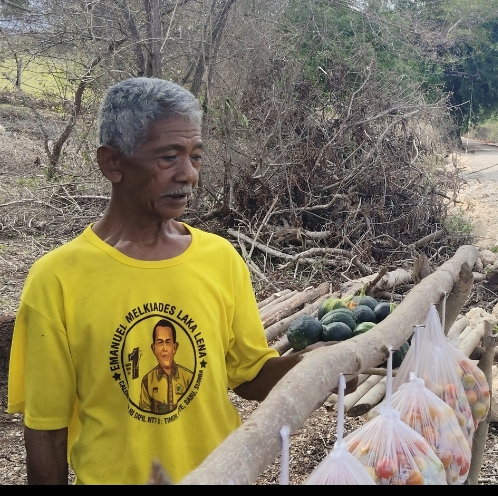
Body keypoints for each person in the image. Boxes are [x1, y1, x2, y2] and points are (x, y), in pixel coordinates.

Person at [5, 78, 306, 484]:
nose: (189, 175)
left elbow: (249, 376)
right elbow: (46, 430)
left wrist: (314, 364)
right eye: (168, 157)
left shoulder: (219, 259)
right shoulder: (58, 278)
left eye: (195, 157)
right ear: (113, 163)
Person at [139, 320, 194, 415]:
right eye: (160, 342)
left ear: (175, 347)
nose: (164, 348)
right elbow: (143, 417)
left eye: (168, 342)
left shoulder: (189, 378)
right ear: (154, 348)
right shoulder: (147, 381)